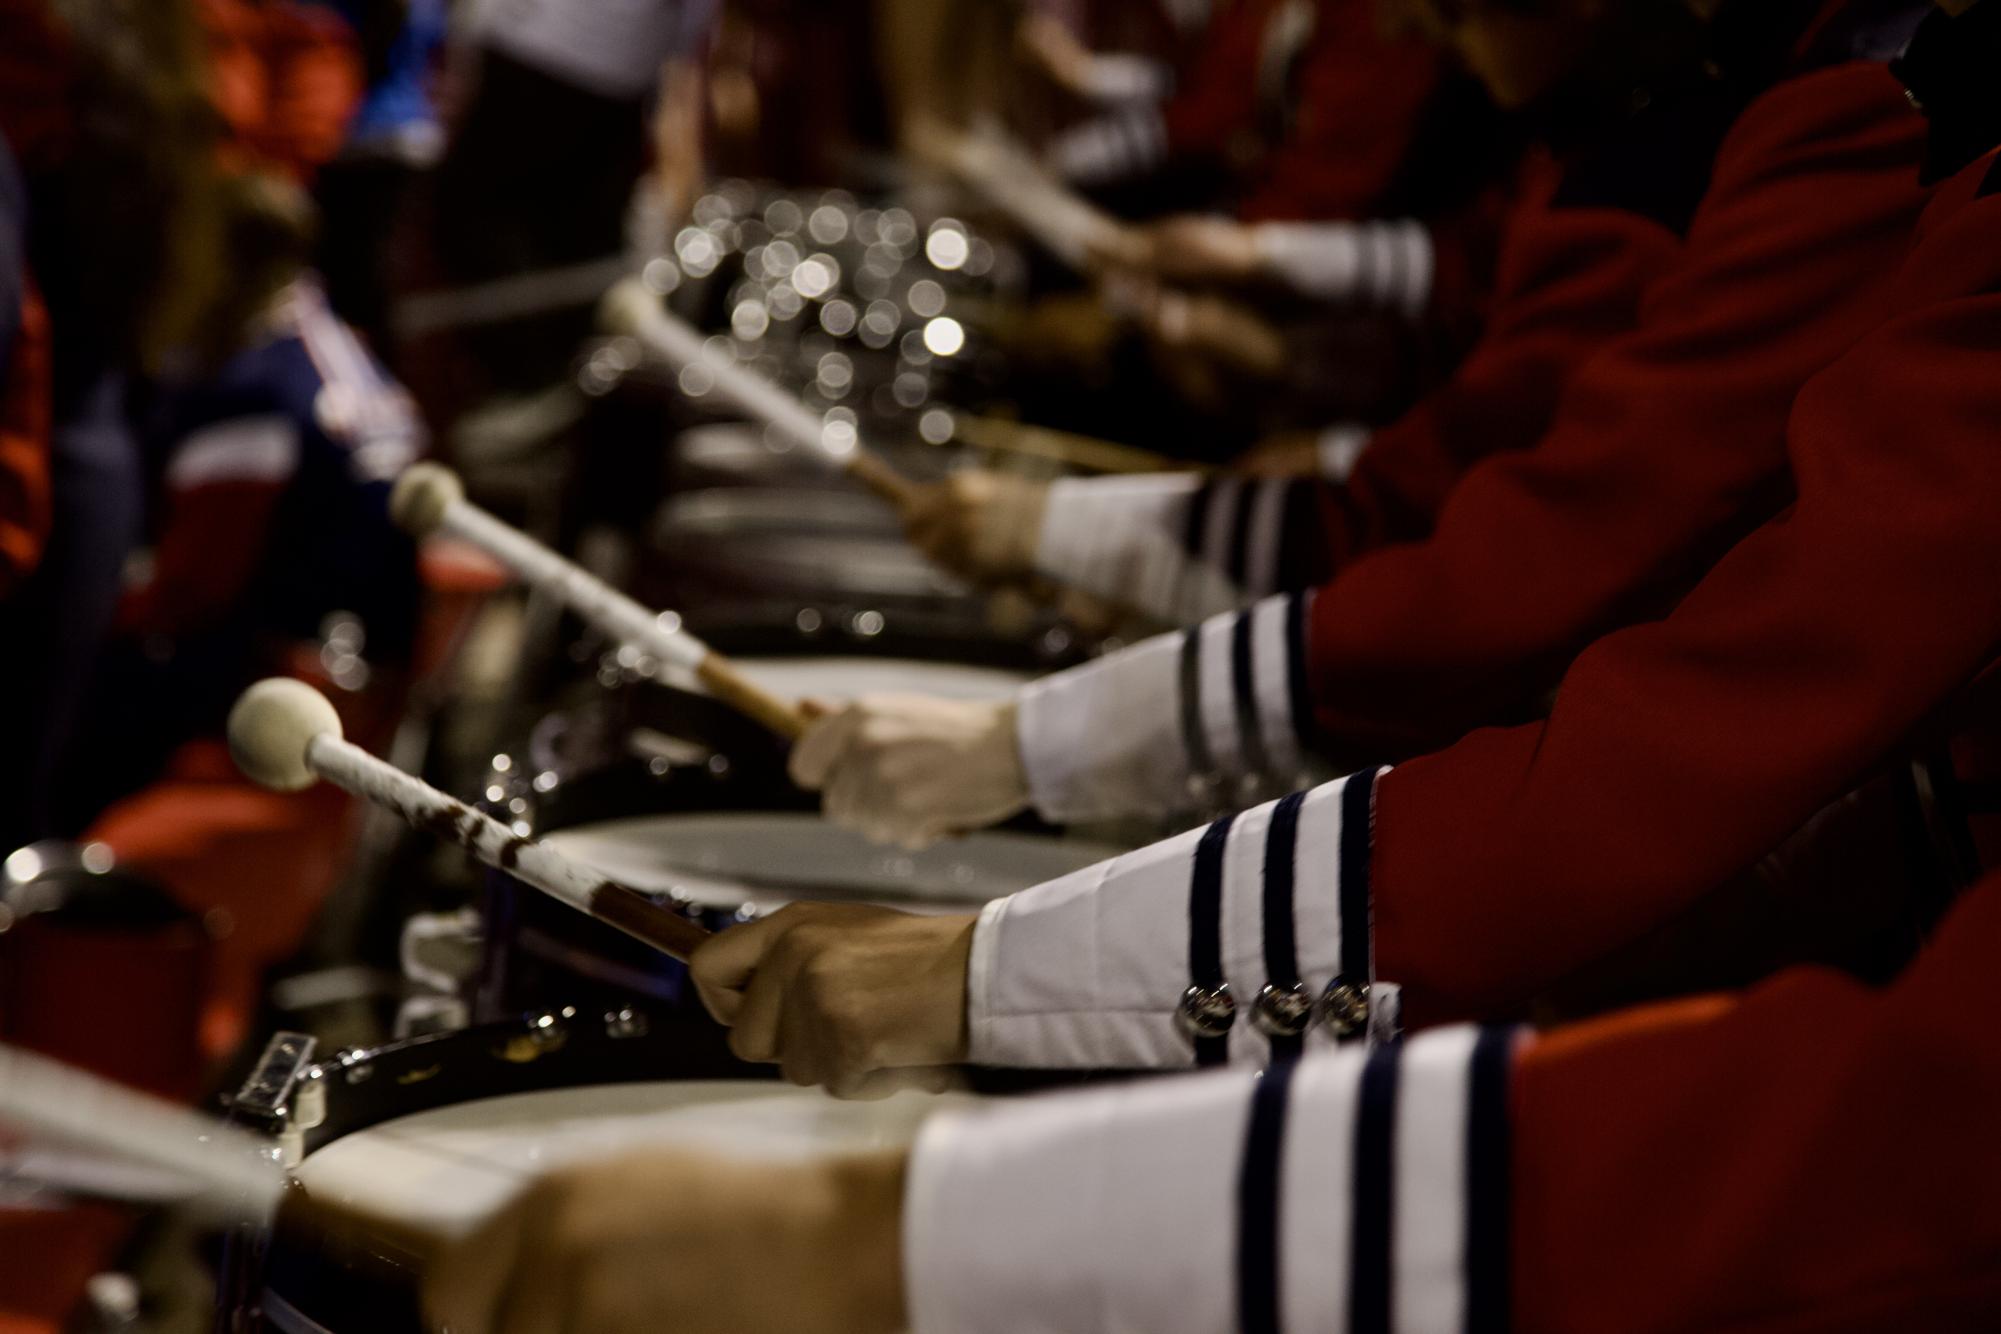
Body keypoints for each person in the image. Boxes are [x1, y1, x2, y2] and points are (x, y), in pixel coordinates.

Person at [823, 0, 1937, 842]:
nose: (1419, 27)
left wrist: (1038, 722)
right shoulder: (1679, 103)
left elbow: (1499, 557)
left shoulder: (1825, 119)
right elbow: (1465, 317)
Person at [53, 174, 422, 830]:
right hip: (355, 654)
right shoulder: (328, 337)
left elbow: (188, 592)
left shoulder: (254, 393)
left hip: (275, 682)